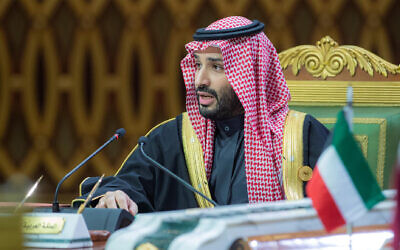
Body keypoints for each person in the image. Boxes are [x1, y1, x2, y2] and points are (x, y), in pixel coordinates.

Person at [72, 16, 329, 216]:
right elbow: (126, 185)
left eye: (216, 67)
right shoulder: (171, 139)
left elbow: (350, 208)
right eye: (197, 64)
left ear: (249, 75)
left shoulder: (301, 136)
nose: (200, 80)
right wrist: (113, 196)